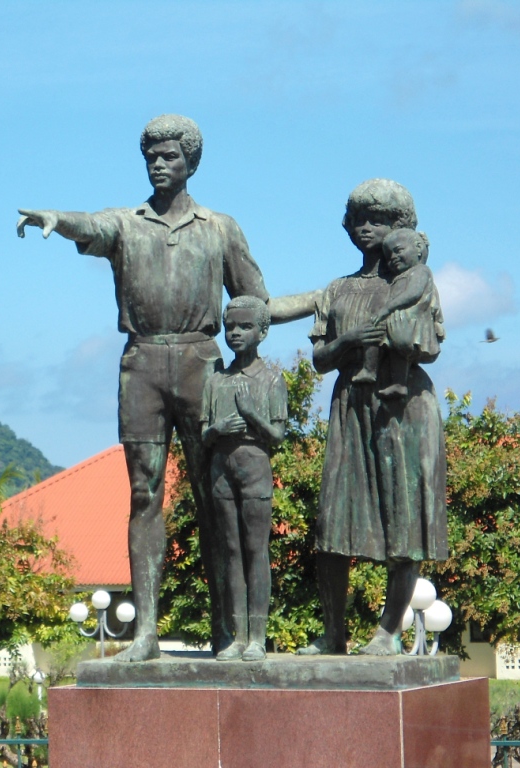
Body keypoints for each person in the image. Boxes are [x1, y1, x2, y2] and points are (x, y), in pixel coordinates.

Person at [17, 115, 316, 661]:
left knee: (215, 498)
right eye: (151, 155)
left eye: (170, 155)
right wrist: (57, 219)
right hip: (144, 363)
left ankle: (230, 631)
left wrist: (324, 299)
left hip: (202, 362)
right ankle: (147, 632)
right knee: (142, 493)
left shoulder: (220, 228)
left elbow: (256, 303)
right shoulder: (127, 224)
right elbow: (91, 225)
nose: (158, 163)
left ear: (191, 162)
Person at [299, 178, 447, 657]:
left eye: (379, 220)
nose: (367, 228)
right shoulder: (338, 289)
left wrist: (397, 340)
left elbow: (430, 345)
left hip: (403, 409)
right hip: (351, 407)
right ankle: (333, 632)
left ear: (401, 226)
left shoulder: (416, 280)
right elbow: (320, 359)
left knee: (405, 522)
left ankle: (388, 630)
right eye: (359, 218)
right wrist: (347, 341)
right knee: (334, 522)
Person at [200, 296, 287, 662]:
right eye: (230, 326)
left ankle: (257, 637)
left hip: (254, 464)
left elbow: (279, 436)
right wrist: (216, 427)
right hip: (222, 466)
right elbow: (203, 432)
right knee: (230, 552)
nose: (234, 333)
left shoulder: (271, 378)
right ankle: (237, 637)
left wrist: (252, 415)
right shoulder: (216, 379)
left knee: (255, 551)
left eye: (244, 326)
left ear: (262, 332)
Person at [351, 228, 442, 399]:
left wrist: (388, 308)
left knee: (387, 336)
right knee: (383, 340)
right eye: (389, 256)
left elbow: (413, 294)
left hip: (412, 322)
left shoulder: (421, 271)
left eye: (398, 250)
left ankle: (377, 372)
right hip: (399, 320)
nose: (393, 258)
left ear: (418, 249)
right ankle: (379, 374)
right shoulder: (399, 277)